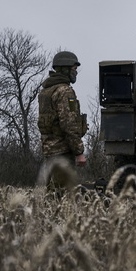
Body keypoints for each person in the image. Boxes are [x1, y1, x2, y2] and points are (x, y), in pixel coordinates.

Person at [37, 51, 88, 190]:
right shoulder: (65, 91)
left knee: (52, 195)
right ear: (65, 69)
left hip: (49, 151)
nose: (76, 72)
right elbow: (68, 124)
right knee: (62, 197)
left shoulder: (46, 91)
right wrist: (79, 152)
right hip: (63, 152)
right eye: (74, 69)